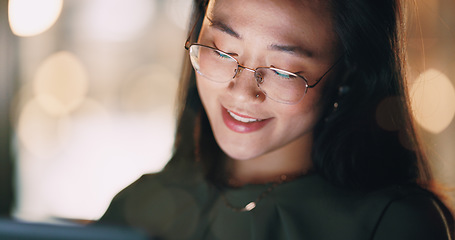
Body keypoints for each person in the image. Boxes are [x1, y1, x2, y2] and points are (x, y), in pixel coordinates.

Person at [98, 0, 455, 239]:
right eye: (222, 51)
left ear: (347, 75)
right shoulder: (136, 207)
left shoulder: (392, 224)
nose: (241, 92)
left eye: (284, 71)